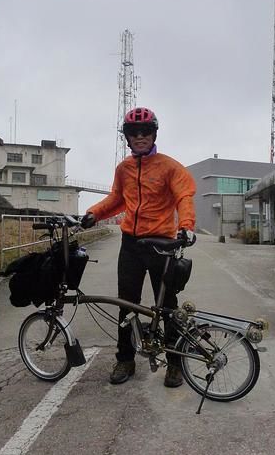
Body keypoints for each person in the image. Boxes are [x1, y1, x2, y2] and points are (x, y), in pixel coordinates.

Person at [80, 107, 196, 388]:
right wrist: (94, 213)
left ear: (154, 134)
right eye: (134, 132)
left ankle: (175, 363)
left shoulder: (170, 167)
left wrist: (186, 225)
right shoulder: (124, 169)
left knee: (167, 306)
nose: (140, 136)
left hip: (162, 245)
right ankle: (125, 359)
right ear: (127, 137)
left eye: (145, 131)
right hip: (131, 245)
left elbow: (184, 196)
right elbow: (116, 198)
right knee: (126, 304)